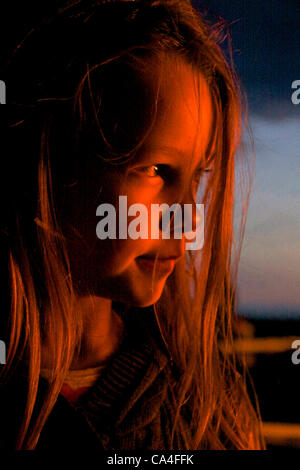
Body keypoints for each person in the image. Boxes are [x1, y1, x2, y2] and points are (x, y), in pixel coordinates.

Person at [0, 0, 265, 450]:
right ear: (49, 158)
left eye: (197, 176)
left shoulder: (203, 411)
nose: (187, 218)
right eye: (156, 170)